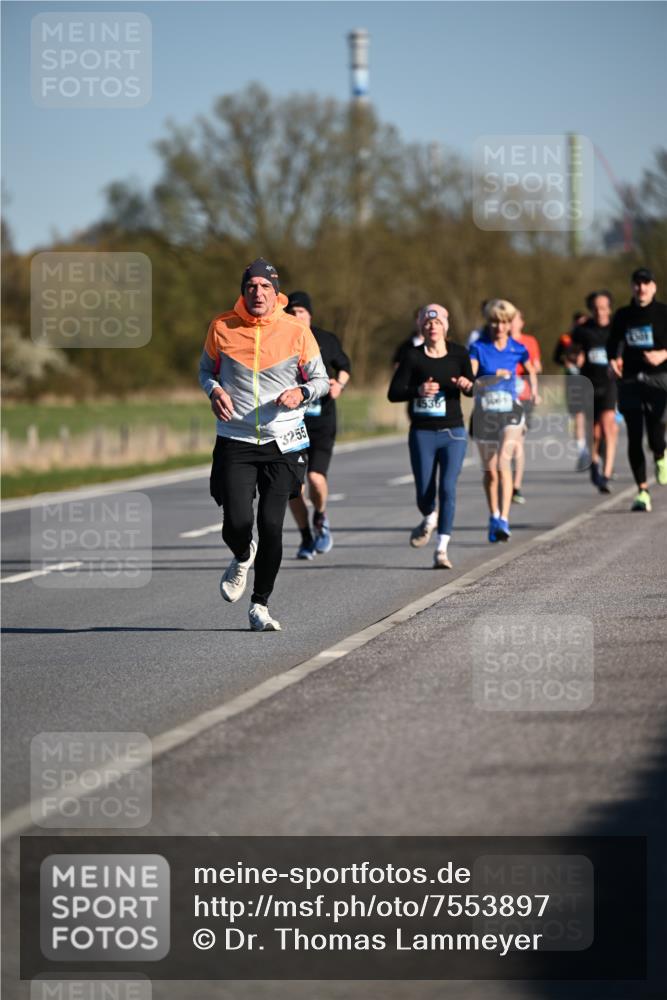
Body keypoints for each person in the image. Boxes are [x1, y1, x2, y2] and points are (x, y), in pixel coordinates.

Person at [199, 258, 329, 631]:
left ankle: (260, 604)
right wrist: (215, 389)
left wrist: (301, 392)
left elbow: (320, 379)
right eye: (251, 286)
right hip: (235, 439)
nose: (258, 293)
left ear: (276, 293)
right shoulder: (221, 327)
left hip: (283, 441)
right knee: (237, 522)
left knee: (272, 524)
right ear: (243, 291)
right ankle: (242, 554)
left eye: (265, 287)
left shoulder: (296, 331)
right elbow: (206, 370)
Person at [388, 304, 474, 568]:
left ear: (446, 326)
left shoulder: (459, 354)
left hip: (453, 432)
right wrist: (418, 390)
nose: (432, 326)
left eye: (437, 322)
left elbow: (472, 388)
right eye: (427, 322)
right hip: (423, 432)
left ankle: (442, 549)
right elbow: (394, 393)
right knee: (424, 492)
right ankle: (429, 515)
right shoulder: (413, 356)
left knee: (448, 488)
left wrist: (467, 385)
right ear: (421, 326)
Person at [284, 291, 351, 559]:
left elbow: (344, 366)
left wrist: (340, 384)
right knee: (293, 487)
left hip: (322, 422)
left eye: (300, 312)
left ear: (309, 315)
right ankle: (305, 538)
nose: (295, 317)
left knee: (315, 478)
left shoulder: (326, 340)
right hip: (290, 425)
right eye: (290, 312)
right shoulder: (280, 341)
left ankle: (320, 517)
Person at [469, 299, 538, 542]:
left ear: (511, 324)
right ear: (489, 323)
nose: (499, 327)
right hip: (485, 413)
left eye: (505, 322)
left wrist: (534, 391)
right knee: (491, 471)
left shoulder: (517, 348)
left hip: (511, 411)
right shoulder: (478, 348)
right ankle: (494, 514)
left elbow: (530, 368)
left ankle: (504, 520)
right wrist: (490, 379)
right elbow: (470, 380)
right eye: (495, 322)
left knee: (503, 462)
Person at [607, 267, 667, 512]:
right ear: (632, 287)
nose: (641, 288)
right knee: (633, 435)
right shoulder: (623, 315)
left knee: (655, 433)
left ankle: (661, 455)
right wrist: (613, 361)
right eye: (637, 283)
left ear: (654, 287)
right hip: (630, 379)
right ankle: (642, 491)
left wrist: (663, 354)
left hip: (658, 378)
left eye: (646, 283)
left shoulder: (664, 313)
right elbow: (613, 344)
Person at [570, 290, 618, 493]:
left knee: (608, 426)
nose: (600, 312)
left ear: (609, 308)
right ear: (591, 309)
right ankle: (595, 464)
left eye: (604, 308)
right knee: (594, 432)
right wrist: (575, 357)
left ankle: (606, 475)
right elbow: (571, 353)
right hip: (588, 384)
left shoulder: (616, 329)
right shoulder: (582, 330)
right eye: (596, 308)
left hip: (609, 384)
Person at [510, 309, 542, 503]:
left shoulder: (529, 342)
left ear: (522, 322)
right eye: (509, 320)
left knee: (518, 440)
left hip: (523, 395)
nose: (512, 323)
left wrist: (535, 392)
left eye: (516, 320)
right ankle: (504, 480)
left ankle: (516, 485)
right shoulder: (498, 342)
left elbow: (537, 367)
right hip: (503, 395)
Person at [553, 311, 590, 470]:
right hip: (573, 381)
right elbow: (555, 357)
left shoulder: (591, 337)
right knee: (578, 416)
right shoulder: (565, 338)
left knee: (594, 418)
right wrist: (566, 361)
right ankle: (582, 452)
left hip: (591, 380)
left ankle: (596, 454)